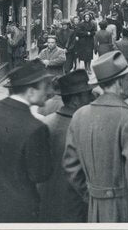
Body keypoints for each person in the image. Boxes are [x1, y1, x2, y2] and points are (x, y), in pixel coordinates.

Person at [63, 51, 128, 223]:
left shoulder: (79, 115)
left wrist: (94, 195)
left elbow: (71, 167)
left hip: (94, 211)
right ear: (119, 82)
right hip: (126, 212)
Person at [0, 60, 53, 223]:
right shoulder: (36, 128)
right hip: (18, 212)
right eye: (46, 86)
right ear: (30, 91)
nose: (50, 91)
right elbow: (41, 175)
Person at [38, 70, 94, 223]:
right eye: (87, 95)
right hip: (75, 208)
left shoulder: (45, 123)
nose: (91, 99)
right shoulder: (86, 128)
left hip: (45, 205)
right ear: (75, 100)